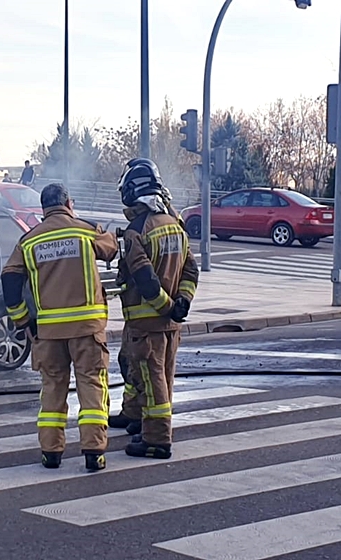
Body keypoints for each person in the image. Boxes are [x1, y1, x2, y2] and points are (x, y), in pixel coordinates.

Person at [1, 183, 119, 471]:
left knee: (52, 388)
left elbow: (10, 279)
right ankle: (94, 452)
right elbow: (111, 249)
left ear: (43, 209)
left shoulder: (29, 241)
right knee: (91, 387)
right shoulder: (84, 230)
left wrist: (22, 320)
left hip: (48, 332)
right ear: (68, 203)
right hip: (86, 328)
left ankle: (51, 453)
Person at [112, 159, 198, 460]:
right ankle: (134, 415)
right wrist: (182, 304)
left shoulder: (137, 230)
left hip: (147, 323)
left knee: (153, 378)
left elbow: (145, 278)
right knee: (140, 369)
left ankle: (157, 439)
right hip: (169, 325)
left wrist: (166, 307)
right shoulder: (175, 223)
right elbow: (191, 270)